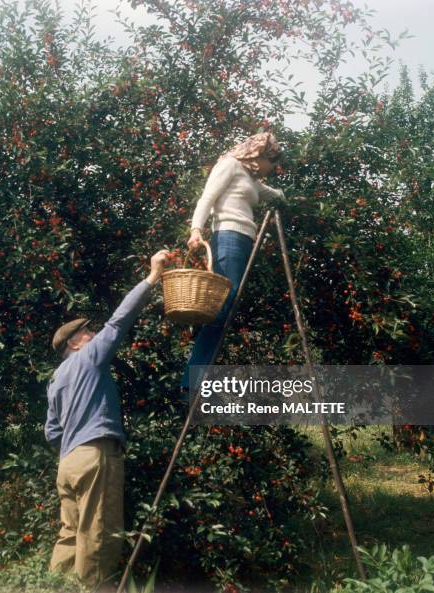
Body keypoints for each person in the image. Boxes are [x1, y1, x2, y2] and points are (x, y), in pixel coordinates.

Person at [45, 249, 169, 589]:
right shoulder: (88, 358)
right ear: (74, 344)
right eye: (87, 332)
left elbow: (52, 430)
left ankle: (54, 587)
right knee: (98, 536)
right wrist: (153, 277)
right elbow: (119, 321)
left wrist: (72, 447)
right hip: (94, 454)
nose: (93, 334)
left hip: (67, 463)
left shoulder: (55, 381)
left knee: (70, 535)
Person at [182, 132, 285, 393]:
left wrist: (283, 198)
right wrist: (196, 229)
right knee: (223, 304)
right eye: (272, 162)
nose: (273, 168)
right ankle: (192, 382)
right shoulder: (229, 164)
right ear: (259, 155)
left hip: (243, 241)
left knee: (227, 305)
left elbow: (271, 194)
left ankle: (196, 377)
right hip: (227, 236)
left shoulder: (251, 177)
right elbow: (207, 197)